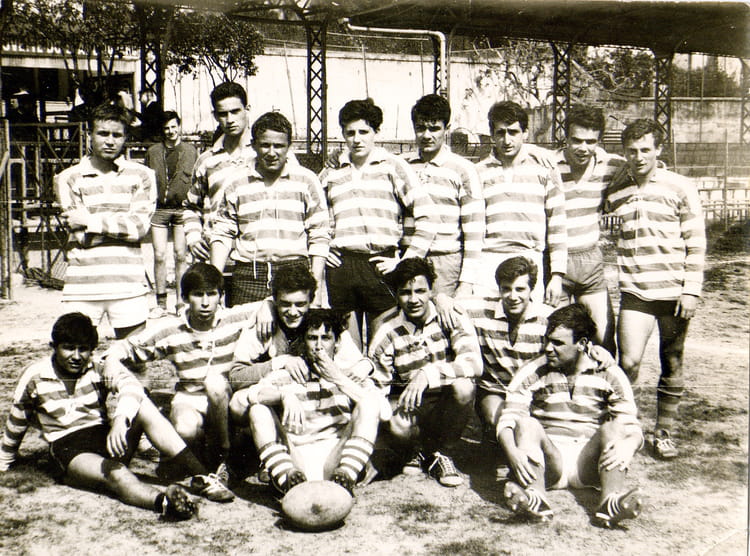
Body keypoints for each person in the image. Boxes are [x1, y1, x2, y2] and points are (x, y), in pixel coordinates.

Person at [0, 313, 234, 520]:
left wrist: (121, 420)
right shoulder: (36, 375)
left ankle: (202, 477)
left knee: (142, 404)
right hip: (69, 448)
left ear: (91, 350)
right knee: (118, 475)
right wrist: (5, 460)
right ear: (54, 346)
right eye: (69, 348)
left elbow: (132, 386)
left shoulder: (97, 366)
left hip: (105, 436)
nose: (77, 356)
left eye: (83, 349)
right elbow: (18, 417)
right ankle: (166, 503)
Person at [105, 263, 260, 488]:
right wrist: (111, 359)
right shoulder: (172, 328)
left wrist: (267, 308)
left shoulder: (234, 318)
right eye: (198, 295)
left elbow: (274, 301)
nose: (205, 302)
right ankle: (197, 458)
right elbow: (128, 346)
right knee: (185, 427)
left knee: (215, 383)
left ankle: (223, 454)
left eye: (211, 294)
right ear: (186, 297)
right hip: (191, 397)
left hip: (225, 398)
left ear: (221, 296)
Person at [606, 119, 706, 460]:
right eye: (632, 151)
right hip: (635, 289)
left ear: (659, 150)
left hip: (674, 291)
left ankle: (663, 432)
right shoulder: (617, 191)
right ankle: (623, 427)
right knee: (629, 362)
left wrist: (691, 290)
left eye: (645, 149)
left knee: (672, 359)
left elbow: (696, 242)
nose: (639, 157)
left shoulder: (680, 186)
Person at [498, 304, 643, 528]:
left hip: (589, 461)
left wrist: (630, 445)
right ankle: (536, 498)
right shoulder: (533, 370)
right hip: (549, 460)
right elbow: (507, 420)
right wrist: (513, 453)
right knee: (526, 424)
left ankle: (610, 502)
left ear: (582, 343)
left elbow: (631, 425)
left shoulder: (609, 372)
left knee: (616, 427)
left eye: (558, 343)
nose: (548, 348)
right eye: (547, 340)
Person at [320, 98, 436, 344]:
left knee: (383, 346)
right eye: (350, 133)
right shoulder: (332, 171)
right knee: (347, 351)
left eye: (364, 132)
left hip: (380, 265)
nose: (357, 139)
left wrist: (405, 261)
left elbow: (427, 214)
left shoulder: (393, 166)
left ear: (376, 132)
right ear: (343, 134)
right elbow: (312, 218)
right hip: (341, 266)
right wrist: (323, 249)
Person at [231, 309, 382, 494]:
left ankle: (346, 478)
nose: (318, 346)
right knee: (258, 410)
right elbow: (248, 397)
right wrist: (284, 396)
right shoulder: (288, 374)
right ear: (303, 342)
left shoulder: (348, 375)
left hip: (338, 458)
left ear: (337, 343)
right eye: (312, 338)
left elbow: (382, 411)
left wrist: (338, 379)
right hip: (295, 460)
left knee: (369, 403)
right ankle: (285, 478)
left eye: (325, 338)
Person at [368, 258, 482, 487]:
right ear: (396, 294)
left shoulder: (450, 315)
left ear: (431, 290)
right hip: (412, 404)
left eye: (420, 291)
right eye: (405, 293)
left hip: (446, 403)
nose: (414, 300)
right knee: (394, 421)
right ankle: (416, 452)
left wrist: (428, 374)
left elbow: (473, 363)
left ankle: (443, 453)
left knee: (464, 387)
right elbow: (376, 386)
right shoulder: (387, 330)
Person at [54, 103, 156, 339]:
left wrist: (90, 221)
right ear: (89, 134)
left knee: (134, 355)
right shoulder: (67, 178)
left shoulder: (142, 175)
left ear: (125, 137)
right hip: (82, 287)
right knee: (74, 353)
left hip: (129, 284)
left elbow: (140, 228)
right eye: (102, 133)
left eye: (117, 135)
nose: (110, 141)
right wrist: (121, 226)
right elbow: (80, 235)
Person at [210, 111, 330, 306]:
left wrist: (315, 289)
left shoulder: (307, 180)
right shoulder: (236, 181)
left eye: (279, 146)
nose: (272, 153)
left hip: (294, 272)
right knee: (245, 325)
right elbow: (222, 232)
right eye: (265, 145)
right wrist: (213, 284)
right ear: (254, 145)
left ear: (289, 146)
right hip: (249, 275)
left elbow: (320, 235)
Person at [475, 101, 567, 305]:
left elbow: (557, 225)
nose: (507, 140)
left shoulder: (545, 169)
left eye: (513, 132)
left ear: (525, 133)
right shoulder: (478, 172)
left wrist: (557, 276)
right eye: (500, 133)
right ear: (492, 135)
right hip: (488, 261)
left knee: (528, 322)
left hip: (529, 259)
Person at [552, 105, 623, 354]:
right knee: (556, 337)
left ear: (599, 140)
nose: (583, 148)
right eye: (577, 140)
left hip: (590, 260)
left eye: (590, 141)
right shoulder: (549, 165)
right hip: (555, 262)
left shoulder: (611, 165)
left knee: (603, 337)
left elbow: (642, 168)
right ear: (565, 136)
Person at [459, 256, 550, 442]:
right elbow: (446, 302)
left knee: (531, 428)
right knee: (499, 420)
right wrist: (442, 299)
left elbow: (575, 338)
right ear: (499, 289)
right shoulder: (482, 309)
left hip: (533, 392)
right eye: (506, 289)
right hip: (496, 390)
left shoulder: (547, 318)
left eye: (520, 289)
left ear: (531, 289)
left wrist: (599, 352)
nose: (513, 297)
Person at [401, 94, 484, 297]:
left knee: (443, 315)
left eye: (434, 128)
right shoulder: (402, 165)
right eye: (420, 128)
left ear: (447, 129)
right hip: (407, 259)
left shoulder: (464, 169)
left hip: (445, 262)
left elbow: (474, 231)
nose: (426, 135)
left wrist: (466, 282)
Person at [183, 82, 256, 304]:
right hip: (214, 260)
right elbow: (190, 206)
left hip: (251, 262)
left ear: (247, 109)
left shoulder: (265, 153)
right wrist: (193, 237)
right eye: (223, 114)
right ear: (215, 116)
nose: (230, 119)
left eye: (235, 111)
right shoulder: (207, 160)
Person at [144, 110, 198, 317]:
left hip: (182, 210)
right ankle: (160, 303)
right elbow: (145, 180)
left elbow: (197, 180)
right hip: (159, 210)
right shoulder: (153, 152)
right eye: (166, 128)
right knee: (159, 255)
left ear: (179, 126)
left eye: (173, 126)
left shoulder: (191, 151)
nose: (170, 131)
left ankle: (181, 304)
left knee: (180, 255)